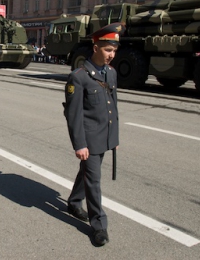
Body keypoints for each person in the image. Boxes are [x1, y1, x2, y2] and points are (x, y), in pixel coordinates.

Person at [63, 22, 124, 246]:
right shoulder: (79, 77)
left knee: (87, 173)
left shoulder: (111, 73)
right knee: (94, 180)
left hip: (104, 136)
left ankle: (74, 200)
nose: (112, 55)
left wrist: (114, 137)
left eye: (114, 50)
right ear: (95, 47)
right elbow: (74, 114)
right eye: (108, 49)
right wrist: (79, 144)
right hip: (88, 138)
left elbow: (113, 106)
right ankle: (99, 225)